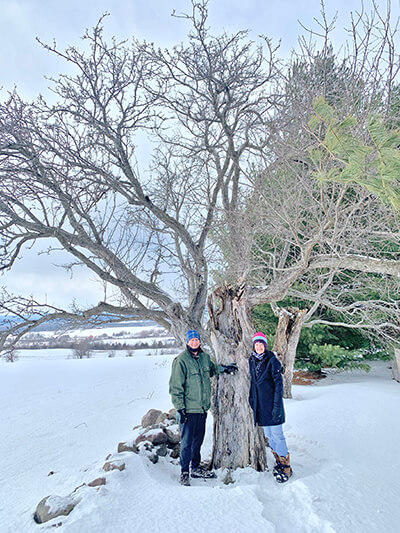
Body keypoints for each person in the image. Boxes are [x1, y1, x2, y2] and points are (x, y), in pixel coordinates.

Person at [169, 329, 238, 486]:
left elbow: (213, 369)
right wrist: (180, 409)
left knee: (198, 441)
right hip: (188, 409)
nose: (194, 342)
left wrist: (225, 368)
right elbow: (175, 387)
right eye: (191, 340)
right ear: (187, 342)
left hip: (202, 409)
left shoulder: (204, 358)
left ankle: (196, 467)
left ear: (199, 341)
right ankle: (184, 472)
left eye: (196, 340)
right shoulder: (181, 360)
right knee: (186, 442)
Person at [248, 331, 293, 483]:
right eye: (256, 344)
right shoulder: (252, 361)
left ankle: (285, 466)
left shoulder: (272, 360)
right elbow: (253, 382)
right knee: (269, 435)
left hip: (273, 405)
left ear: (265, 346)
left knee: (277, 435)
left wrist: (277, 406)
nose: (259, 346)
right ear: (254, 346)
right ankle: (278, 461)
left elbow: (279, 385)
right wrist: (251, 399)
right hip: (261, 407)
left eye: (261, 344)